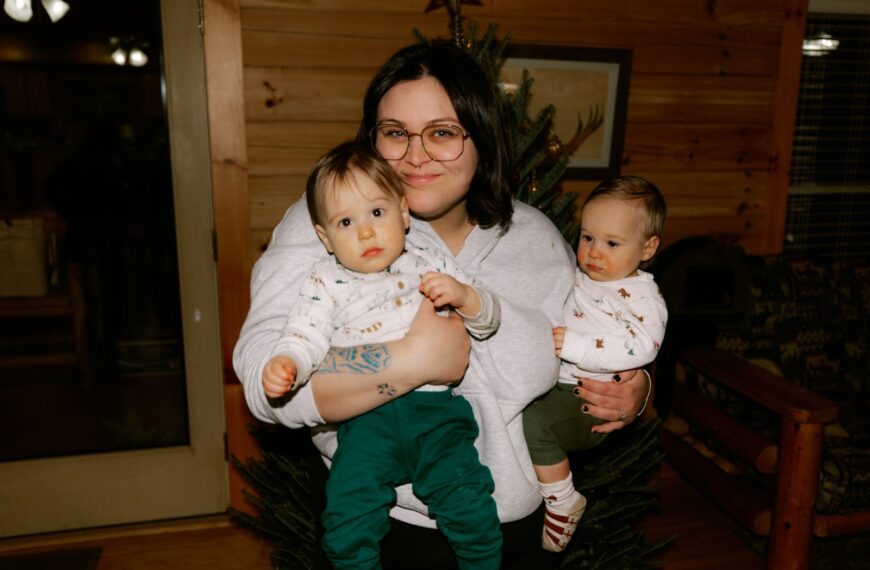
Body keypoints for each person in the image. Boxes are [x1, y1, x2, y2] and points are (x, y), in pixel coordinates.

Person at [233, 40, 652, 568]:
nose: (415, 155)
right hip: (385, 522)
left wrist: (634, 385)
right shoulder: (333, 222)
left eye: (442, 133)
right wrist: (409, 362)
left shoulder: (537, 238)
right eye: (395, 133)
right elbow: (263, 383)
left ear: (482, 137)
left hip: (511, 527)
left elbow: (598, 327)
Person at [262, 141, 503, 568]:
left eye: (377, 212)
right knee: (347, 516)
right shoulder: (325, 280)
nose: (366, 232)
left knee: (468, 502)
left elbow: (488, 319)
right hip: (366, 421)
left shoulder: (430, 261)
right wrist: (289, 363)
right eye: (346, 221)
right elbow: (304, 333)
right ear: (326, 238)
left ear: (403, 213)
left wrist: (465, 297)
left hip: (435, 415)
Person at [523, 176, 668, 553]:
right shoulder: (580, 276)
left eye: (612, 243)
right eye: (587, 237)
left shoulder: (642, 298)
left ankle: (562, 499)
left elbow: (643, 347)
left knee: (534, 424)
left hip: (587, 397)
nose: (593, 253)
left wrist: (577, 346)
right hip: (559, 385)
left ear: (648, 247)